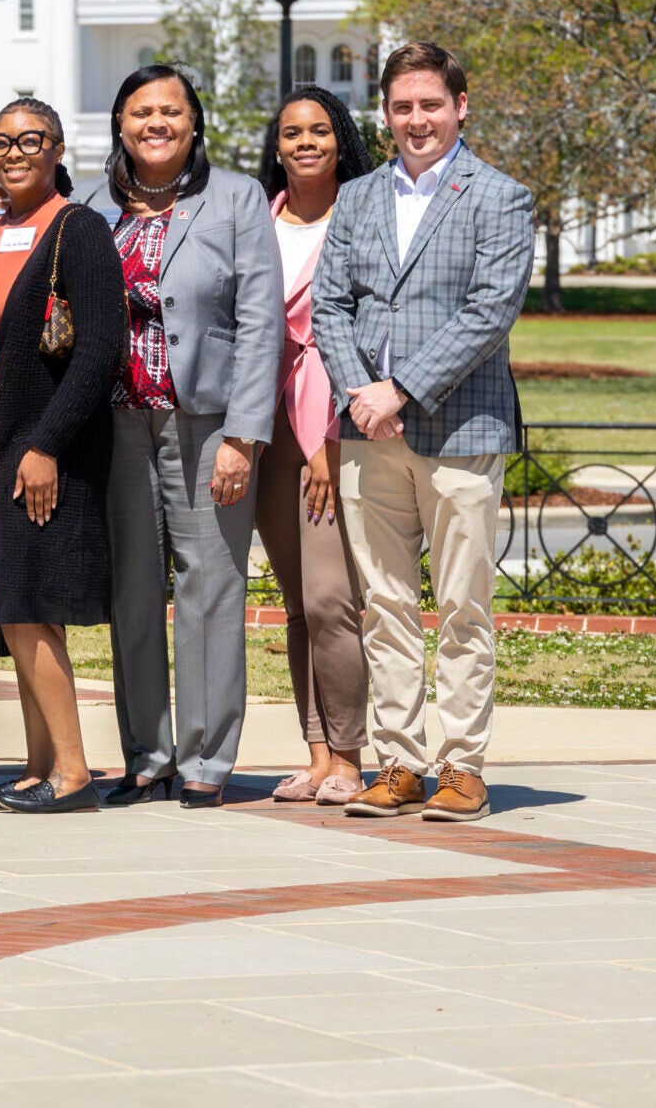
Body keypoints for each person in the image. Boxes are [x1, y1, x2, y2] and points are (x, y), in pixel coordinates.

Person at [313, 42, 533, 822]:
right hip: (370, 431)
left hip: (463, 426)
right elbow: (330, 306)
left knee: (465, 604)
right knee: (386, 604)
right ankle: (400, 762)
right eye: (402, 107)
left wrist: (399, 387)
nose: (416, 120)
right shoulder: (360, 196)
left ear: (461, 106)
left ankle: (462, 765)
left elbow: (489, 310)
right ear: (385, 112)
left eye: (430, 105)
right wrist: (359, 392)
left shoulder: (500, 197)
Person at [76, 65, 285, 809]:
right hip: (118, 425)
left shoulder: (236, 199)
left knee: (211, 587)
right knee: (133, 589)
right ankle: (148, 753)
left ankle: (206, 758)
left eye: (170, 111)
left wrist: (244, 435)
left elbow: (263, 323)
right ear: (121, 125)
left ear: (194, 123)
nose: (155, 123)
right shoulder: (88, 205)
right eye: (140, 112)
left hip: (209, 425)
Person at [0, 97, 123, 813]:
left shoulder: (77, 231)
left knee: (32, 605)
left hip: (36, 448)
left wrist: (45, 445)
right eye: (1, 142)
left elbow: (100, 349)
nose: (13, 153)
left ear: (56, 149)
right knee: (12, 606)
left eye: (29, 140)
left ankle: (73, 773)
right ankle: (37, 766)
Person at [255, 85, 376, 805]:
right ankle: (318, 753)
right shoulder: (257, 219)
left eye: (320, 130)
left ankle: (353, 755)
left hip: (331, 418)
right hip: (264, 419)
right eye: (293, 131)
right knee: (297, 602)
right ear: (277, 146)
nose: (306, 141)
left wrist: (330, 441)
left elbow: (357, 331)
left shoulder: (361, 218)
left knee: (333, 599)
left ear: (340, 142)